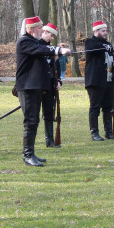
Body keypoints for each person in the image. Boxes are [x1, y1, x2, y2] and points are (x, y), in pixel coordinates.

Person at [15, 16, 70, 166]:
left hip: (35, 87)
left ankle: (30, 152)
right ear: (31, 29)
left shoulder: (33, 42)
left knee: (34, 121)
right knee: (30, 121)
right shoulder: (24, 41)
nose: (42, 30)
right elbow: (41, 49)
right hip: (27, 86)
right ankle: (27, 155)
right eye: (39, 28)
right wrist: (59, 49)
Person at [83, 20, 114, 141]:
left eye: (106, 30)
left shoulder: (108, 44)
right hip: (95, 81)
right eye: (103, 31)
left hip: (108, 80)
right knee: (95, 107)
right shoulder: (90, 42)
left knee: (108, 107)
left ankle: (109, 132)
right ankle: (94, 132)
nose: (105, 33)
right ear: (96, 31)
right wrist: (108, 47)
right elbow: (95, 48)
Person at [41, 23, 64, 148]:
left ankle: (49, 140)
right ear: (45, 32)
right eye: (51, 35)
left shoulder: (52, 49)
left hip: (50, 83)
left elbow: (57, 66)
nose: (52, 38)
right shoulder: (37, 45)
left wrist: (59, 80)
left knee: (49, 112)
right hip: (39, 84)